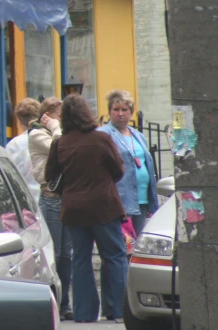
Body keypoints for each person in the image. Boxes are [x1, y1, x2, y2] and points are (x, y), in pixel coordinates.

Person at [45, 94, 127, 324]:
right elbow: (119, 170)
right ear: (86, 113)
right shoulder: (101, 139)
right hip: (104, 207)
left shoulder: (60, 144)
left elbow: (50, 175)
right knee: (115, 257)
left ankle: (84, 313)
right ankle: (120, 310)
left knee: (80, 259)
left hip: (74, 209)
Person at [28, 97, 71, 321]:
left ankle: (66, 304)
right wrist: (55, 128)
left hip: (67, 195)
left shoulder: (59, 133)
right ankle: (54, 302)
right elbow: (60, 149)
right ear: (46, 116)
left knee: (67, 254)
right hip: (51, 196)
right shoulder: (37, 135)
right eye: (57, 116)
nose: (60, 121)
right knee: (55, 253)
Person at [97, 90, 159, 238]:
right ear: (109, 112)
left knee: (136, 244)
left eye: (124, 110)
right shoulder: (103, 134)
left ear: (131, 112)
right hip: (120, 201)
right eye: (116, 110)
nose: (120, 114)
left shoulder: (138, 135)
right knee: (122, 245)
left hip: (141, 200)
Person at [5, 98, 41, 201]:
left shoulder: (14, 145)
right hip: (51, 203)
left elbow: (10, 177)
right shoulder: (50, 138)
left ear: (19, 120)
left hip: (27, 204)